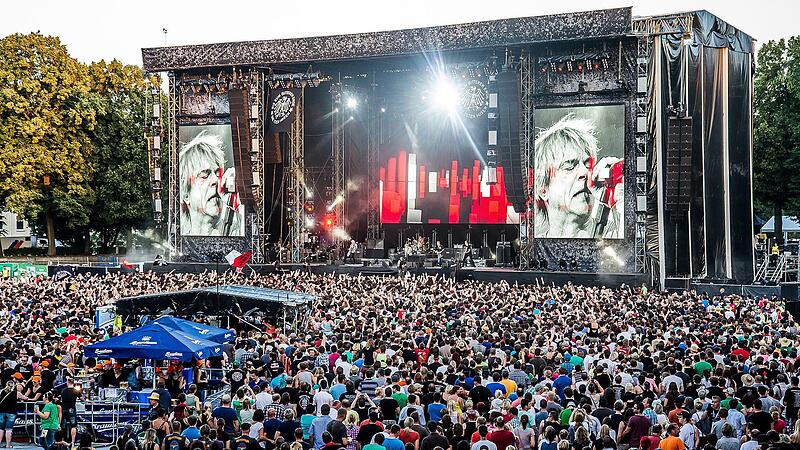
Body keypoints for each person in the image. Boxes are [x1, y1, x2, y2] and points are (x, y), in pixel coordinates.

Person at [533, 114, 623, 239]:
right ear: (543, 190)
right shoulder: (535, 248)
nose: (584, 172)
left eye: (588, 164)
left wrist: (619, 199)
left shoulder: (617, 232)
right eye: (569, 167)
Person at [179, 130, 244, 236]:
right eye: (204, 176)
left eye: (218, 174)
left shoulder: (236, 232)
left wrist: (239, 205)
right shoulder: (177, 243)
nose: (215, 181)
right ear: (185, 194)